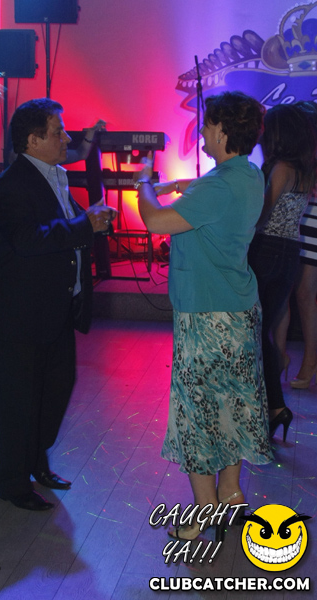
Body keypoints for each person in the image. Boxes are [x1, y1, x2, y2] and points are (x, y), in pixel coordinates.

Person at [135, 91, 272, 541]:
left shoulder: (218, 187)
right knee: (230, 406)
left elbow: (156, 222)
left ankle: (203, 512)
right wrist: (182, 186)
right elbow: (212, 191)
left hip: (207, 315)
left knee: (197, 413)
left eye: (209, 125)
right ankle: (230, 494)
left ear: (223, 132)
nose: (204, 132)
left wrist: (145, 185)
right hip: (239, 310)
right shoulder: (249, 174)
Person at [0, 98, 116, 511]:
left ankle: (36, 462)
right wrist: (83, 224)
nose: (67, 138)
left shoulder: (53, 175)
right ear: (32, 140)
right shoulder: (11, 185)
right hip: (17, 315)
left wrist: (89, 220)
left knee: (53, 392)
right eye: (58, 132)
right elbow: (28, 240)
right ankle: (12, 483)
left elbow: (61, 229)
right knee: (18, 401)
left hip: (52, 309)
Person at [248, 104, 317, 439]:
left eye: (266, 128)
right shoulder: (302, 169)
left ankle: (271, 405)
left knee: (256, 330)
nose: (262, 134)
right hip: (289, 251)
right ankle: (274, 406)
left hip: (268, 250)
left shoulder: (280, 168)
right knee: (262, 328)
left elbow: (262, 215)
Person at [273, 102, 317, 390]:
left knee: (303, 293)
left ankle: (309, 360)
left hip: (311, 218)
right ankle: (282, 358)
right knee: (291, 293)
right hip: (303, 217)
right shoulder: (300, 149)